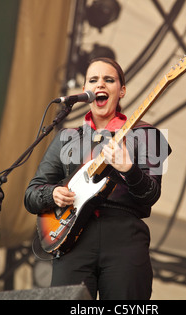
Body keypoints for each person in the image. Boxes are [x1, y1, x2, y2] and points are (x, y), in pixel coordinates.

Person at [24, 57, 171, 300]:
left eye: (109, 80)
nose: (100, 84)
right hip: (71, 240)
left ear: (121, 90)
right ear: (85, 91)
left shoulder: (146, 135)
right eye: (93, 80)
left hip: (124, 239)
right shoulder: (66, 137)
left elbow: (151, 195)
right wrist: (53, 194)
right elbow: (31, 194)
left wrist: (129, 168)